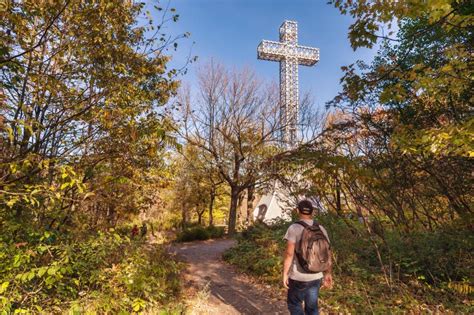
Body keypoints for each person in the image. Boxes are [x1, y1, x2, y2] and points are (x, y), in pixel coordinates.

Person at [283, 199, 333, 315]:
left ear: (297, 211)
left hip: (298, 277)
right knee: (312, 308)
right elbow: (328, 252)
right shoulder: (321, 228)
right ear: (312, 212)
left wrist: (285, 273)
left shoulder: (294, 228)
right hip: (316, 275)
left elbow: (289, 254)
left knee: (294, 304)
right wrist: (328, 273)